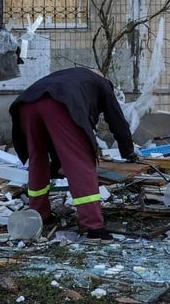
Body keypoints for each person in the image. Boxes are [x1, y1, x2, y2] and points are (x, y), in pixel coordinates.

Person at [9, 67, 139, 240]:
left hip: (26, 105)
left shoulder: (70, 77)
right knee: (80, 162)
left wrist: (57, 163)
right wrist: (128, 152)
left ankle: (39, 214)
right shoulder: (102, 83)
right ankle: (93, 226)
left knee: (37, 160)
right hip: (60, 103)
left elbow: (57, 141)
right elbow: (116, 118)